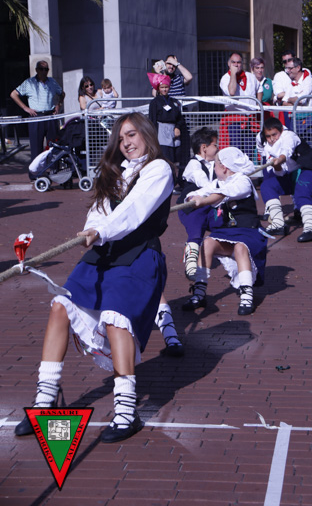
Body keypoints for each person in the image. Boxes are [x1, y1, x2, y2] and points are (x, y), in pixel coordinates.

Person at [14, 112, 174, 443]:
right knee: (60, 306)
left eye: (132, 134)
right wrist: (93, 227)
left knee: (117, 319)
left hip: (139, 255)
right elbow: (99, 211)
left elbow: (134, 210)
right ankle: (45, 401)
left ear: (146, 134)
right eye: (121, 138)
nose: (126, 142)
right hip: (102, 253)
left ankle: (126, 410)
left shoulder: (158, 169)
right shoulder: (113, 172)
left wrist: (101, 231)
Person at [181, 147, 268, 316]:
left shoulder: (243, 181)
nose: (214, 168)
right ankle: (199, 292)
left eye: (215, 165)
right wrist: (193, 198)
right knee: (207, 243)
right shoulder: (218, 183)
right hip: (228, 232)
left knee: (240, 247)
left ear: (224, 167)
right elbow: (200, 191)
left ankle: (247, 295)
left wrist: (203, 201)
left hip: (248, 231)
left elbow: (223, 194)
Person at [257, 117, 312, 242]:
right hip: (292, 173)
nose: (272, 139)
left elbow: (286, 151)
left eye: (274, 134)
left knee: (301, 193)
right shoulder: (266, 145)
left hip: (310, 168)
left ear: (281, 130)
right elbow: (280, 172)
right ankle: (278, 224)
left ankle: (311, 228)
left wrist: (279, 159)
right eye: (268, 136)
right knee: (267, 186)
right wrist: (276, 165)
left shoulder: (289, 136)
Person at [177, 127, 219, 280]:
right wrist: (223, 187)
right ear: (204, 147)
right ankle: (191, 263)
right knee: (196, 231)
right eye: (215, 145)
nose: (218, 148)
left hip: (210, 205)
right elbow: (204, 184)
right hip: (191, 207)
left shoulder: (216, 164)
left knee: (226, 226)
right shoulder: (193, 165)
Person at [10, 60, 65, 177]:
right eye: (41, 69)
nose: (44, 72)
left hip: (50, 115)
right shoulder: (29, 82)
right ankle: (35, 174)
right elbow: (13, 94)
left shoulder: (52, 82)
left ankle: (54, 171)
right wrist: (25, 108)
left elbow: (62, 93)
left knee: (53, 146)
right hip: (36, 117)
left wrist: (58, 105)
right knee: (36, 147)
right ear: (36, 70)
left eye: (46, 69)